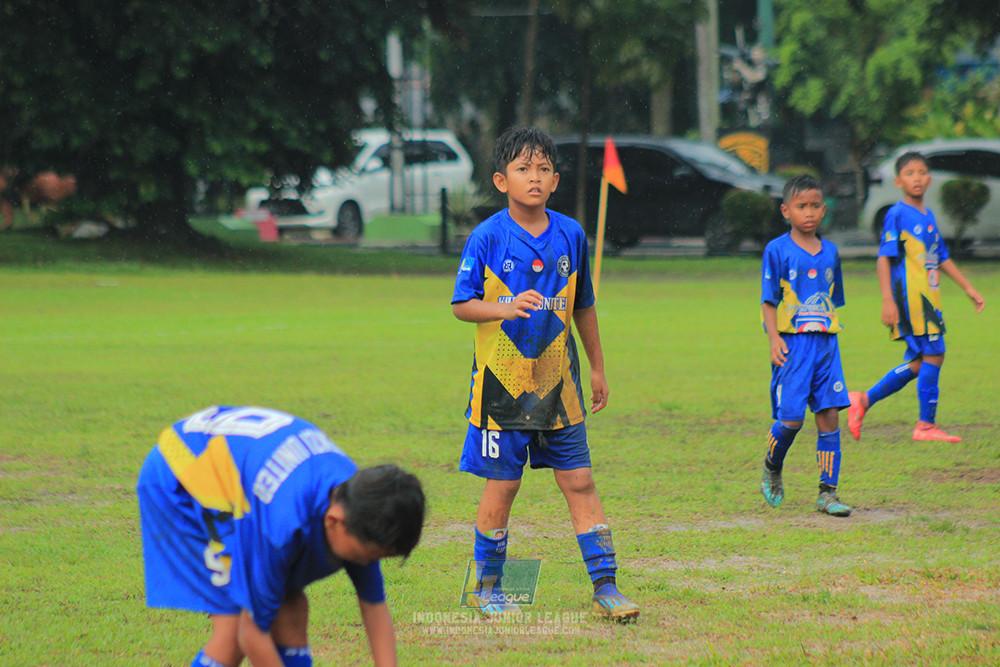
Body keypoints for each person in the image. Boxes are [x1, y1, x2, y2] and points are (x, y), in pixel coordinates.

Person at [451, 126, 639, 622]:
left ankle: (607, 587)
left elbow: (584, 308)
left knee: (580, 481)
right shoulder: (487, 237)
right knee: (503, 486)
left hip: (561, 386)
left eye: (542, 169)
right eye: (522, 169)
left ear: (555, 180)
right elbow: (461, 306)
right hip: (502, 388)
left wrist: (597, 367)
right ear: (501, 180)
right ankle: (486, 588)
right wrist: (504, 307)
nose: (533, 178)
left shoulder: (571, 234)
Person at [137, 405, 425, 667]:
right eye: (371, 555)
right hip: (183, 473)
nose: (371, 563)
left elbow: (373, 604)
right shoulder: (282, 530)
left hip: (239, 478)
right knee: (233, 624)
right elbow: (250, 636)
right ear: (335, 520)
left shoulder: (361, 503)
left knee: (291, 605)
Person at [847, 152, 986, 443]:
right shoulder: (896, 214)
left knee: (922, 362)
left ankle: (863, 400)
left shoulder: (928, 216)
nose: (917, 178)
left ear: (930, 179)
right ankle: (925, 426)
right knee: (935, 354)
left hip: (929, 299)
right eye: (909, 173)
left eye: (922, 172)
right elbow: (884, 259)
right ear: (898, 181)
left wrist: (968, 288)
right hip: (911, 299)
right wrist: (888, 300)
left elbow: (942, 257)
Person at [759, 174, 852, 517]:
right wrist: (773, 339)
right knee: (792, 419)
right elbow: (768, 301)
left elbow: (833, 299)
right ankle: (772, 465)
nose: (809, 213)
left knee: (829, 416)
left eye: (815, 206)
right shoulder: (777, 250)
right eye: (801, 206)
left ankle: (828, 493)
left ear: (824, 210)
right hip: (793, 347)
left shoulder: (831, 253)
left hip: (827, 346)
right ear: (786, 211)